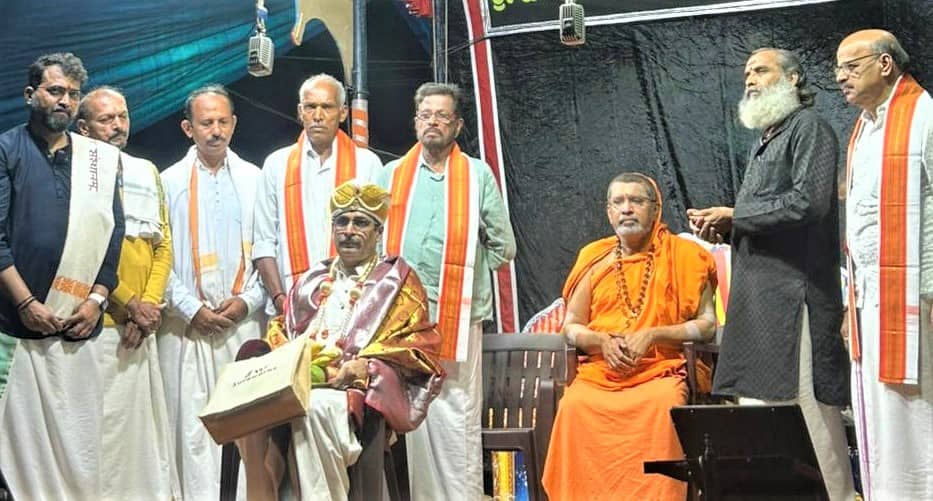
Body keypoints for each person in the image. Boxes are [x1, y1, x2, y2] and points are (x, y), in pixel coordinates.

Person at [700, 48, 855, 500]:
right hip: (760, 300)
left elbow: (809, 203)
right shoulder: (768, 138)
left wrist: (736, 216)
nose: (749, 78)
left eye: (761, 70)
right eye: (746, 72)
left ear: (792, 78)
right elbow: (765, 218)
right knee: (763, 414)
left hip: (794, 299)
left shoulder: (808, 128)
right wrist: (727, 226)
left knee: (806, 412)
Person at [238, 181, 445, 501]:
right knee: (249, 402)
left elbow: (417, 343)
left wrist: (367, 366)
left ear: (378, 232)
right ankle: (261, 488)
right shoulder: (312, 279)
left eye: (360, 222)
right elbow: (282, 329)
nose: (349, 231)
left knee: (315, 407)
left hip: (354, 389)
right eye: (341, 222)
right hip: (301, 377)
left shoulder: (397, 280)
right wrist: (287, 364)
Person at [377, 82, 516, 500]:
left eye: (442, 116)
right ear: (415, 122)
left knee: (457, 412)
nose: (432, 122)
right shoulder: (392, 175)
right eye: (425, 115)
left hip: (459, 313)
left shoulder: (476, 175)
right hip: (403, 317)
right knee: (413, 411)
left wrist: (468, 276)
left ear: (457, 125)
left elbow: (504, 247)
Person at [542, 172, 717, 500]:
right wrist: (600, 341)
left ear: (656, 209)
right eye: (618, 202)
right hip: (602, 374)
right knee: (574, 406)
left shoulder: (686, 256)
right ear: (609, 212)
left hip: (660, 372)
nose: (627, 209)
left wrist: (654, 335)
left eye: (636, 201)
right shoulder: (593, 258)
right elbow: (571, 326)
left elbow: (707, 324)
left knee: (664, 405)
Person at [0, 52, 125, 499]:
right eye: (55, 91)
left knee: (79, 448)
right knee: (16, 453)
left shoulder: (99, 160)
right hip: (14, 330)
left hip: (77, 328)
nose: (65, 101)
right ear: (30, 94)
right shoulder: (7, 149)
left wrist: (97, 300)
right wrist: (25, 303)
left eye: (73, 94)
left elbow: (113, 235)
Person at [837, 29, 933, 500]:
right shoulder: (864, 128)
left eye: (850, 66)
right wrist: (850, 303)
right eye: (837, 69)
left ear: (885, 64)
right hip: (870, 299)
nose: (841, 77)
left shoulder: (925, 117)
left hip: (918, 299)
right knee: (880, 414)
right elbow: (861, 224)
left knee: (918, 413)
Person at [159, 84, 266, 500]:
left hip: (243, 324)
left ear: (234, 124)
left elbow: (268, 249)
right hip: (187, 329)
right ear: (188, 128)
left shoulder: (256, 179)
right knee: (192, 427)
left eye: (223, 121)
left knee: (249, 428)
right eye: (206, 123)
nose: (216, 130)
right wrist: (190, 308)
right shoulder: (168, 182)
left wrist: (247, 302)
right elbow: (158, 257)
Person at [75, 85, 179, 499]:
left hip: (141, 326)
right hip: (98, 324)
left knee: (138, 437)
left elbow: (163, 245)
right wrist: (129, 304)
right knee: (96, 432)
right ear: (83, 128)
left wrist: (149, 305)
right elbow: (83, 250)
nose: (118, 126)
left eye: (123, 116)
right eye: (106, 119)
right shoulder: (75, 174)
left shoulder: (145, 170)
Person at [253, 74, 383, 316]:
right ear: (300, 112)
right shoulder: (277, 164)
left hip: (352, 305)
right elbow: (264, 242)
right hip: (290, 304)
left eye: (327, 107)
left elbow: (379, 240)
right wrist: (280, 300)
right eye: (311, 107)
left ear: (343, 113)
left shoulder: (367, 164)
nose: (318, 115)